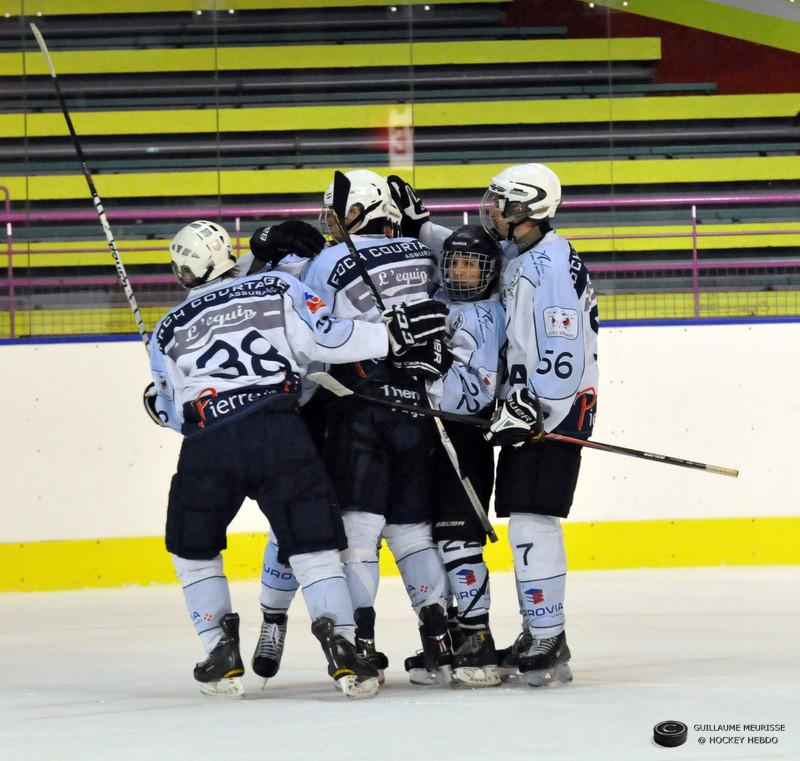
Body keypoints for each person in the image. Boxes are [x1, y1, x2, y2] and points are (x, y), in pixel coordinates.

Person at [142, 219, 446, 698]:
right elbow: (327, 340)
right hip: (279, 429)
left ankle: (220, 652)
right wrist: (390, 337)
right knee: (315, 549)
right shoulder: (277, 286)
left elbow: (172, 412)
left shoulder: (167, 328)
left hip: (210, 442)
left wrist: (155, 401)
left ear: (184, 271)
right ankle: (345, 651)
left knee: (194, 552)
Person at [301, 169, 457, 686]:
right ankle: (439, 637)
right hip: (418, 410)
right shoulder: (419, 253)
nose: (329, 220)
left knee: (359, 536)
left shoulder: (327, 261)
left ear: (360, 211)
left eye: (337, 212)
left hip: (359, 408)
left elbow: (311, 335)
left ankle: (362, 642)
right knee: (414, 533)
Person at [480, 163, 599, 687]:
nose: (490, 209)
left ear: (523, 210)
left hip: (550, 414)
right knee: (525, 515)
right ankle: (539, 629)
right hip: (534, 410)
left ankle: (548, 635)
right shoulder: (528, 252)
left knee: (533, 518)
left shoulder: (547, 267)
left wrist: (534, 411)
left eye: (499, 201)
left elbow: (563, 351)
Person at [402, 224, 506, 688]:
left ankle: (477, 638)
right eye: (455, 262)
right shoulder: (440, 305)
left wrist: (437, 367)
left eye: (472, 264)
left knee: (459, 542)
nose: (461, 271)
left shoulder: (487, 316)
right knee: (429, 541)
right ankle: (448, 638)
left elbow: (476, 393)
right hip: (430, 438)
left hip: (464, 439)